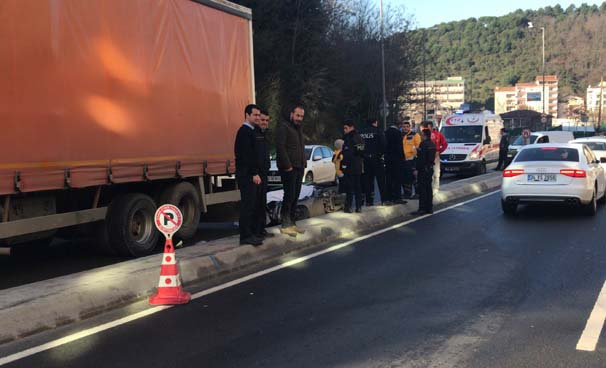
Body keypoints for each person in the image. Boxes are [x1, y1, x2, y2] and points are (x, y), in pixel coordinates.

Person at [275, 105, 306, 237]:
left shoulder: (298, 129)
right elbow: (280, 148)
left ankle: (292, 223)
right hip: (289, 168)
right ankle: (285, 224)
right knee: (289, 195)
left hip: (299, 167)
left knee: (295, 196)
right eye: (298, 115)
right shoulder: (284, 127)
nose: (300, 118)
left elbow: (300, 148)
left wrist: (304, 165)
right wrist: (288, 166)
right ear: (291, 114)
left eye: (302, 116)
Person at [234, 104, 263, 246]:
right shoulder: (244, 132)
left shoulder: (253, 131)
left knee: (253, 205)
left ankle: (251, 233)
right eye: (255, 115)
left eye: (259, 115)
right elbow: (246, 156)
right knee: (247, 205)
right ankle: (245, 236)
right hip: (247, 175)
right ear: (247, 115)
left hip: (250, 174)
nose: (258, 117)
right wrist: (254, 173)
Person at [252, 110, 274, 239]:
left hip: (264, 173)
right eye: (262, 120)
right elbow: (252, 156)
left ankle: (262, 230)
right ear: (257, 120)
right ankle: (255, 231)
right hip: (257, 175)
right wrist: (255, 172)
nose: (265, 122)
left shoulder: (265, 135)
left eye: (267, 120)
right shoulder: (253, 134)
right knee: (255, 204)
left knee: (262, 203)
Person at [359, 119, 386, 206]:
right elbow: (384, 144)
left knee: (368, 181)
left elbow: (359, 145)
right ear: (374, 123)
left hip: (365, 159)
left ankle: (369, 201)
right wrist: (380, 154)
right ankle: (384, 200)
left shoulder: (361, 132)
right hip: (377, 158)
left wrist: (362, 154)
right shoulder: (378, 131)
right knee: (381, 180)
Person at [341, 121, 365, 213]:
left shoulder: (349, 138)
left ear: (351, 127)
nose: (344, 130)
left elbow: (348, 153)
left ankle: (349, 206)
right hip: (358, 165)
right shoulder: (359, 137)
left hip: (350, 166)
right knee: (358, 187)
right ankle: (359, 207)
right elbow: (362, 151)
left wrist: (344, 165)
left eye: (346, 128)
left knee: (349, 188)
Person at [414, 129, 437, 215]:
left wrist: (417, 169)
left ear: (424, 135)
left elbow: (421, 158)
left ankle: (422, 208)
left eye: (421, 134)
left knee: (422, 189)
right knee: (428, 188)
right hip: (430, 168)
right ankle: (429, 207)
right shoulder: (432, 144)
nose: (420, 136)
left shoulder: (423, 144)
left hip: (423, 169)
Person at [384, 118, 407, 205]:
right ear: (399, 125)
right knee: (397, 179)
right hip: (397, 159)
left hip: (388, 159)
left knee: (389, 179)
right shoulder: (398, 133)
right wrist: (402, 158)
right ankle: (397, 197)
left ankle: (389, 197)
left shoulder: (386, 132)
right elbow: (399, 147)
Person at [425, 121, 448, 195]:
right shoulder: (424, 135)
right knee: (428, 173)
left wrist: (439, 151)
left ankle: (435, 188)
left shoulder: (438, 134)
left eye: (429, 128)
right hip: (427, 156)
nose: (428, 130)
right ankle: (429, 188)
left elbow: (445, 144)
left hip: (435, 156)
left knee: (436, 173)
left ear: (431, 127)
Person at [402, 121, 421, 198]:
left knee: (414, 178)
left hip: (412, 160)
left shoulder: (415, 135)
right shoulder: (401, 135)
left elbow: (418, 146)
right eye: (404, 127)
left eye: (407, 126)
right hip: (403, 160)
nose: (405, 128)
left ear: (410, 127)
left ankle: (417, 193)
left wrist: (416, 157)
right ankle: (407, 193)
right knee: (405, 178)